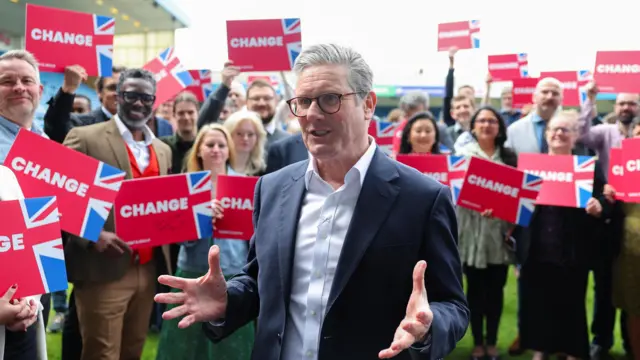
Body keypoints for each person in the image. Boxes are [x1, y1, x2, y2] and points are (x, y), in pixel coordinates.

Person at [155, 43, 469, 360]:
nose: (313, 114)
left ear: (368, 105)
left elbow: (452, 306)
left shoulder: (423, 198)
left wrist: (428, 328)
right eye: (303, 101)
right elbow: (259, 280)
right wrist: (230, 300)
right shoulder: (271, 188)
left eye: (330, 99)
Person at [62, 68, 173, 360]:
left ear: (154, 101)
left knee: (132, 351)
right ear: (118, 96)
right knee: (101, 354)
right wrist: (91, 233)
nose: (139, 103)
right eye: (131, 95)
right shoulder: (84, 137)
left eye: (145, 97)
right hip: (103, 269)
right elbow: (58, 195)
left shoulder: (163, 149)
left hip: (148, 270)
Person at [0, 49, 48, 360]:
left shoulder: (46, 146)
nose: (19, 87)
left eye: (27, 80)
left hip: (33, 294)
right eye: (7, 81)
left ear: (39, 90)